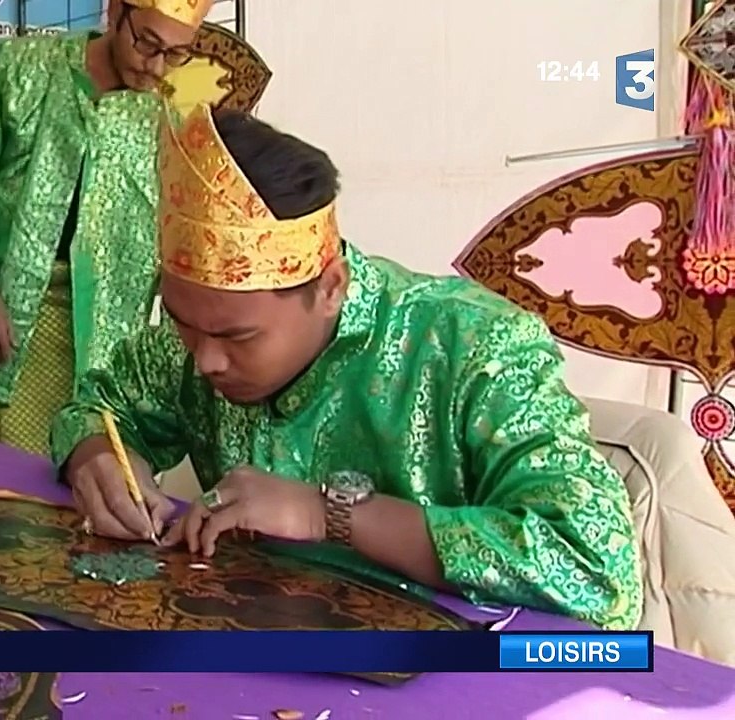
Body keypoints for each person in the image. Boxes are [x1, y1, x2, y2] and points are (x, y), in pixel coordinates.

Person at [50, 104, 644, 630]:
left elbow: (593, 565)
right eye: (182, 321)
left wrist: (327, 513)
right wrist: (98, 457)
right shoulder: (192, 342)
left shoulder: (474, 349)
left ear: (329, 288)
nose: (204, 358)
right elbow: (100, 405)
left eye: (237, 336)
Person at [0, 0, 213, 456]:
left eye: (175, 54)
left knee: (48, 495)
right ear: (116, 11)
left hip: (87, 339)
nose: (156, 66)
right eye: (147, 43)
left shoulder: (167, 127)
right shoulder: (18, 68)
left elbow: (171, 245)